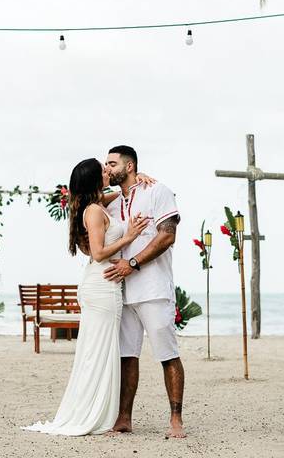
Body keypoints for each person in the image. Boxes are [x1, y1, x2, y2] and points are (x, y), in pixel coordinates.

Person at [23, 158, 152, 436]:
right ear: (95, 178)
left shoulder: (96, 204)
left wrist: (137, 179)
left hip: (104, 285)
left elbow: (121, 192)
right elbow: (98, 253)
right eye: (104, 170)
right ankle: (90, 413)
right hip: (102, 285)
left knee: (101, 350)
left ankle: (97, 411)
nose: (108, 172)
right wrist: (129, 236)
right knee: (97, 352)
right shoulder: (94, 211)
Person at [102, 145, 185, 439]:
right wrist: (104, 182)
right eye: (105, 164)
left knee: (167, 354)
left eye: (112, 163)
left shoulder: (158, 191)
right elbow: (80, 199)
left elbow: (168, 235)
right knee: (127, 357)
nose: (107, 168)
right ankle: (124, 418)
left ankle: (176, 419)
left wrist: (133, 264)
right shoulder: (111, 204)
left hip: (153, 289)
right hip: (121, 293)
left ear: (130, 165)